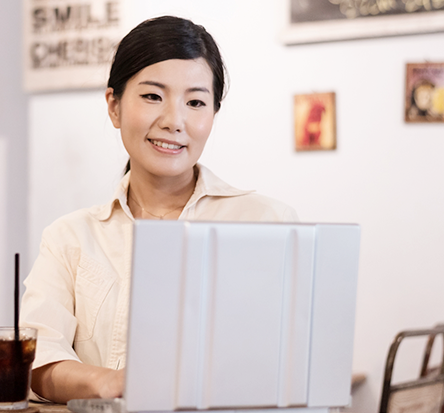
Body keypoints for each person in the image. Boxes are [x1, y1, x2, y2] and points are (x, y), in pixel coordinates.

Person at [20, 15, 298, 403]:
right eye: (152, 96)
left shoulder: (270, 225)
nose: (174, 121)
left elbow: (289, 363)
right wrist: (112, 383)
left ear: (213, 115)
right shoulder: (69, 238)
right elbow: (39, 360)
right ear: (114, 106)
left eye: (196, 102)